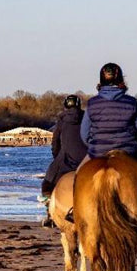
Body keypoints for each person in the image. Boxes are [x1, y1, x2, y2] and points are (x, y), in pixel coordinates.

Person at [79, 63, 137, 189]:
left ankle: (74, 207)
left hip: (97, 152)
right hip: (128, 151)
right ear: (120, 79)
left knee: (78, 175)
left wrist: (95, 145)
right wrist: (132, 142)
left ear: (101, 80)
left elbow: (84, 134)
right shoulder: (131, 102)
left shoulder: (92, 103)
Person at [40, 95, 88, 227]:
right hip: (86, 159)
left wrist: (57, 157)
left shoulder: (61, 122)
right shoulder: (87, 119)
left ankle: (50, 211)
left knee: (47, 183)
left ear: (65, 106)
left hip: (66, 160)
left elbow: (55, 143)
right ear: (79, 106)